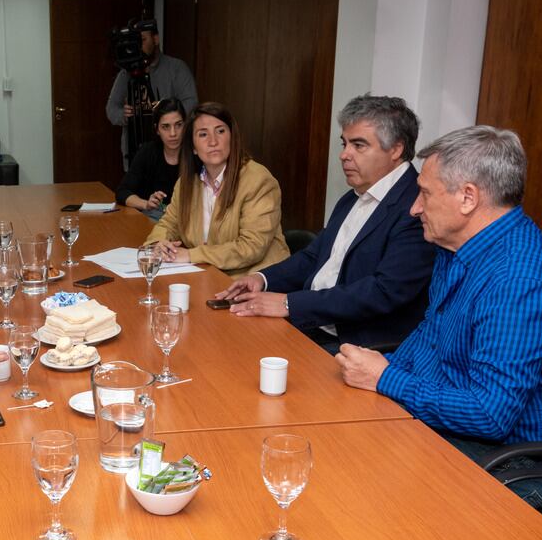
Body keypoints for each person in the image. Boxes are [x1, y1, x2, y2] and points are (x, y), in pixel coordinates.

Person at [337, 125, 542, 508]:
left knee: (368, 489)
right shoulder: (455, 247)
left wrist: (387, 378)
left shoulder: (519, 281)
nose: (414, 208)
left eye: (424, 193)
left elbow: (490, 414)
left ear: (468, 198)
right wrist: (380, 369)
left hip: (517, 461)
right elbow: (431, 333)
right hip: (463, 430)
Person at [216, 94, 434, 351]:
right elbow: (314, 256)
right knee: (223, 338)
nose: (344, 155)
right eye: (344, 144)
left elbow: (383, 291)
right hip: (312, 324)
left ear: (396, 149)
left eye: (359, 145)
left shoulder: (416, 207)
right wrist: (262, 279)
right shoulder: (353, 197)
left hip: (359, 344)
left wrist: (289, 304)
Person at [146, 102, 289, 276]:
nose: (213, 141)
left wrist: (191, 255)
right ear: (193, 147)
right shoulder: (186, 183)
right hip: (208, 276)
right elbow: (168, 224)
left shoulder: (258, 180)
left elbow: (251, 247)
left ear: (232, 137)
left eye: (220, 131)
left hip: (253, 280)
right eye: (203, 134)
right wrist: (158, 244)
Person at [105, 22, 198, 166]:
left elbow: (192, 103)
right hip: (135, 151)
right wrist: (124, 114)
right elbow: (111, 109)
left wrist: (166, 110)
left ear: (156, 39)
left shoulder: (176, 68)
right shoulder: (125, 73)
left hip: (172, 151)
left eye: (142, 40)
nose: (138, 46)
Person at [115, 98, 185, 216]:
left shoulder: (196, 153)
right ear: (157, 129)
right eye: (166, 127)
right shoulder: (148, 152)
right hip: (155, 218)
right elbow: (122, 192)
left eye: (178, 125)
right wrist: (146, 204)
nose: (173, 133)